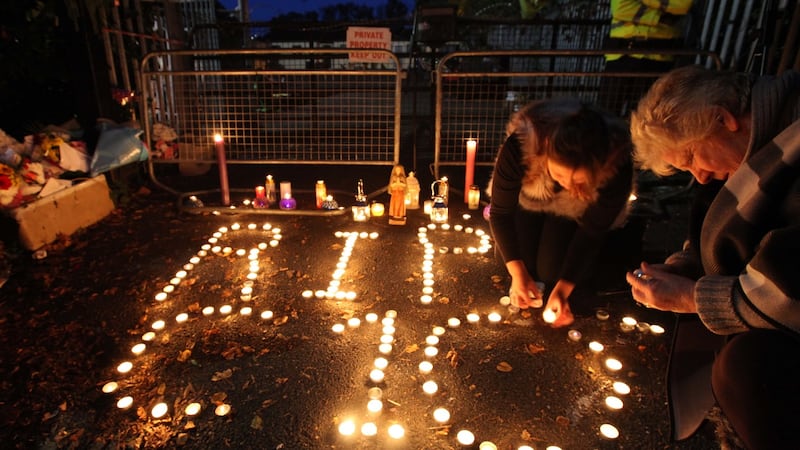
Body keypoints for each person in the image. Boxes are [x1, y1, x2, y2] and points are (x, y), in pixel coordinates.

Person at [626, 65, 800, 448]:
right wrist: (685, 266)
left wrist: (692, 297)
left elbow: (791, 279)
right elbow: (729, 230)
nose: (700, 177)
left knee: (748, 369)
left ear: (723, 118)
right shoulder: (758, 148)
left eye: (691, 156)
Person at [488, 98, 635, 328]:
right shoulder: (521, 146)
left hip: (574, 214)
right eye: (559, 175)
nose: (566, 185)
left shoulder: (616, 167)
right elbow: (500, 214)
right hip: (529, 202)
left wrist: (562, 290)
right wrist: (517, 274)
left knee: (551, 272)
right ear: (546, 147)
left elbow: (591, 232)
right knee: (514, 261)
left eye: (577, 181)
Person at [601, 0, 694, 117]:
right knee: (606, 115)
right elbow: (621, 8)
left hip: (659, 58)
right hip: (623, 55)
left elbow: (683, 5)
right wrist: (660, 17)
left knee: (648, 118)